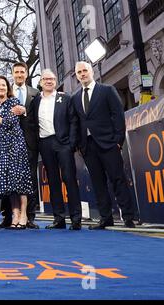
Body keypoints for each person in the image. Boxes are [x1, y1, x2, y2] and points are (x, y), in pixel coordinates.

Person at [71, 61, 135, 229]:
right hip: (88, 148)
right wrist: (79, 145)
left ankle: (128, 217)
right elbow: (76, 123)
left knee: (118, 179)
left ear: (91, 72)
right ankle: (105, 218)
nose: (82, 74)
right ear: (77, 76)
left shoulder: (107, 90)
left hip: (109, 144)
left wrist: (118, 142)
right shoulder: (76, 98)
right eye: (79, 72)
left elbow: (118, 116)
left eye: (85, 70)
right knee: (98, 183)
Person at [32, 69, 82, 230]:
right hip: (45, 144)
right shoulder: (35, 102)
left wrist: (71, 143)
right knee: (52, 182)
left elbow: (74, 121)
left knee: (69, 179)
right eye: (45, 79)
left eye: (52, 79)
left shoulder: (65, 98)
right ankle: (58, 218)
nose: (49, 81)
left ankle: (76, 218)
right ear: (40, 83)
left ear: (55, 81)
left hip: (64, 144)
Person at [0, 76, 33, 229]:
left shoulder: (13, 102)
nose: (1, 87)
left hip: (16, 145)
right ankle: (15, 214)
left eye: (3, 85)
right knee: (9, 184)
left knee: (20, 181)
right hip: (2, 147)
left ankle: (24, 215)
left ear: (8, 87)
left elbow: (8, 122)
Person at [0, 62, 40, 229]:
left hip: (29, 141)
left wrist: (24, 111)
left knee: (28, 179)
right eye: (16, 72)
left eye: (22, 72)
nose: (19, 75)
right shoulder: (5, 94)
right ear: (12, 74)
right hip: (9, 143)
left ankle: (29, 217)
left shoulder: (35, 93)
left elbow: (38, 116)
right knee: (8, 179)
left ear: (26, 73)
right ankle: (8, 217)